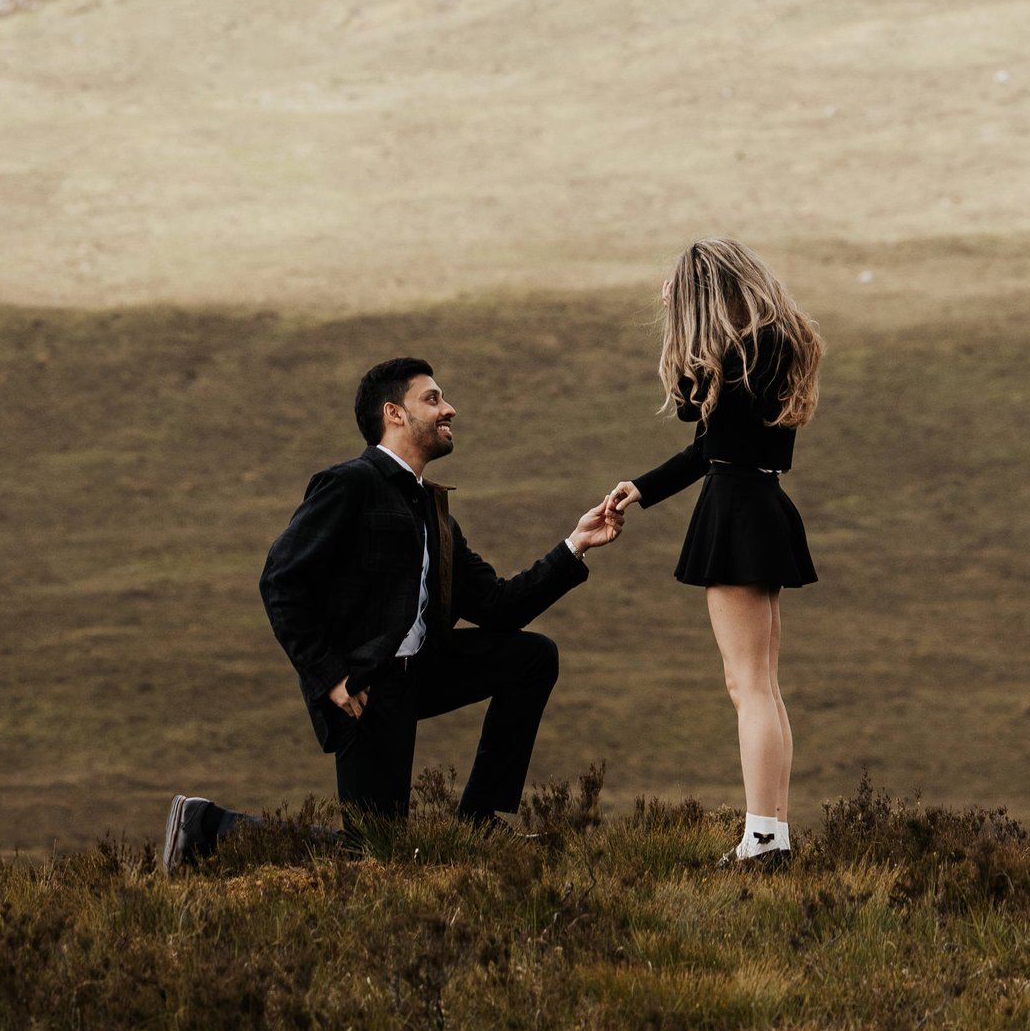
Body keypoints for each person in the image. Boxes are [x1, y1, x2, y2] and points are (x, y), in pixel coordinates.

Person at [163, 354, 622, 866]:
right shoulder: (350, 484)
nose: (449, 409)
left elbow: (497, 607)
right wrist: (331, 677)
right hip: (367, 689)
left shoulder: (434, 511)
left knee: (531, 656)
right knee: (377, 853)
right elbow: (281, 582)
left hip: (424, 671)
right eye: (433, 398)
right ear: (394, 414)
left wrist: (574, 546)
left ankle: (480, 819)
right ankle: (205, 826)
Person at [606, 239, 822, 866]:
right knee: (762, 683)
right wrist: (643, 489)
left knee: (747, 684)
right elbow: (706, 445)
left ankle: (761, 837)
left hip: (735, 512)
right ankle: (772, 833)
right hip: (761, 502)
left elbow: (685, 412)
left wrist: (685, 334)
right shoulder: (776, 345)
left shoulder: (731, 355)